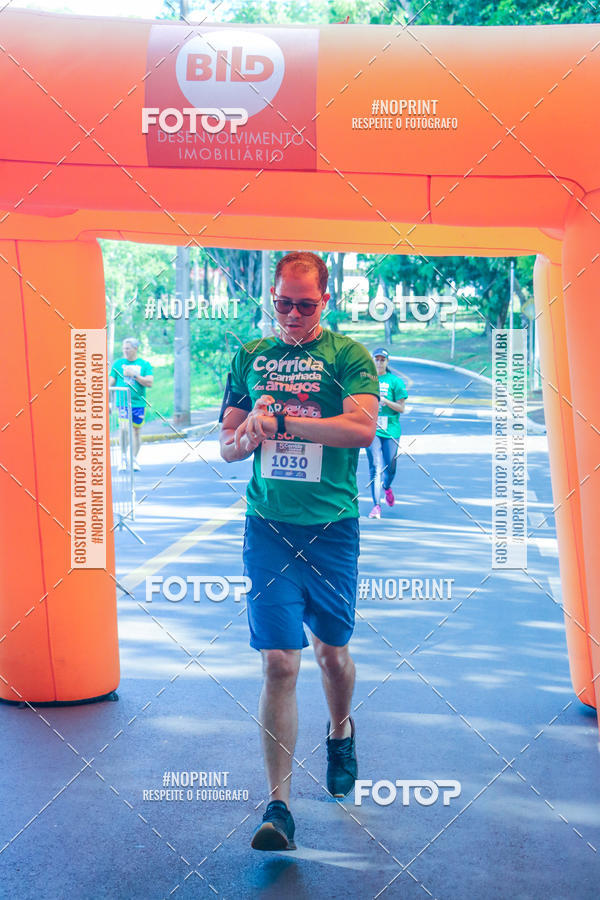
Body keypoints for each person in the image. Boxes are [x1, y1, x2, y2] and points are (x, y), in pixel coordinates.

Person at [219, 251, 379, 851]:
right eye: (281, 301)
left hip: (332, 529)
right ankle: (279, 806)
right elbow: (228, 448)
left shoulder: (348, 357)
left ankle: (340, 730)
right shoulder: (251, 357)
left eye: (304, 304)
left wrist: (284, 419)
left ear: (326, 302)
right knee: (280, 662)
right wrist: (248, 433)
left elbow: (362, 431)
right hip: (268, 528)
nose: (290, 314)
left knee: (331, 654)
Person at [366, 348, 408, 519]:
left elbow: (402, 408)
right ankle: (376, 506)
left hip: (390, 430)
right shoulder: (366, 380)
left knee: (390, 467)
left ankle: (387, 487)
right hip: (372, 429)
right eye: (376, 359)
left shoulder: (395, 382)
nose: (379, 362)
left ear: (387, 362)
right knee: (375, 466)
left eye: (383, 360)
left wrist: (386, 401)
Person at [109, 338, 154, 471]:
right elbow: (110, 383)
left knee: (136, 431)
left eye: (128, 348)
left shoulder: (144, 364)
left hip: (138, 404)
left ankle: (133, 459)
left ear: (135, 349)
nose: (125, 351)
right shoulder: (118, 364)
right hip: (123, 403)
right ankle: (123, 458)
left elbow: (149, 383)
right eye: (124, 348)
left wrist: (134, 375)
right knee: (123, 429)